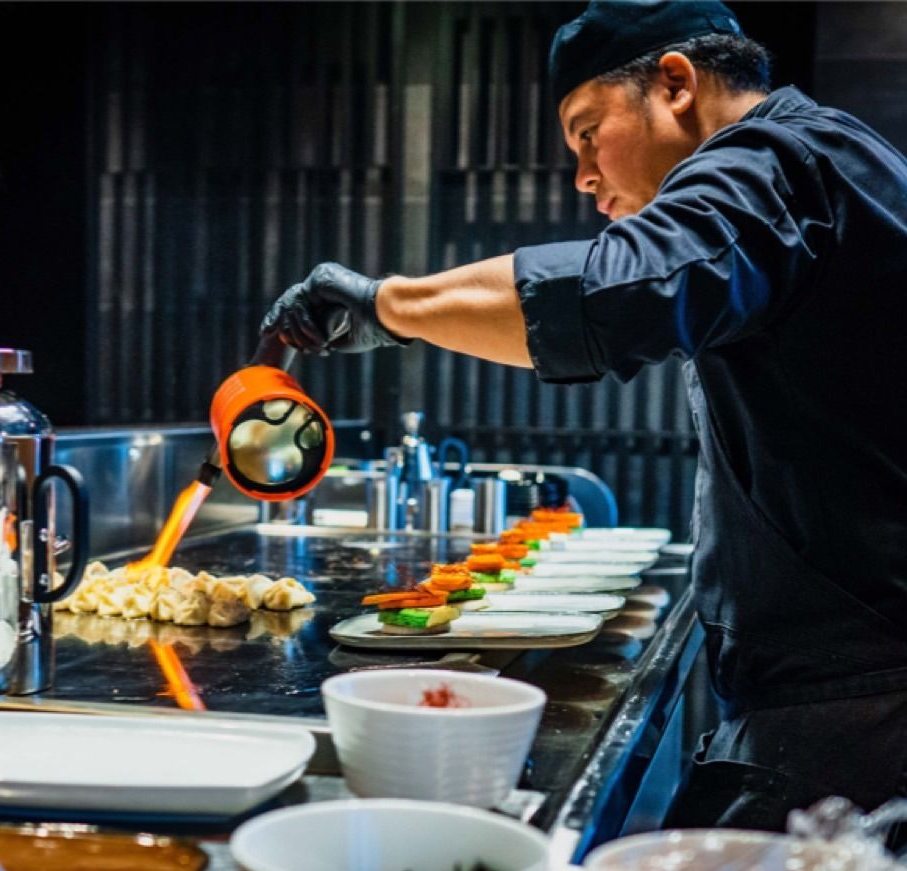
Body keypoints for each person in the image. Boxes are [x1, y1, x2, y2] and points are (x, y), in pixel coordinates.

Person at [262, 0, 907, 833]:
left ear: (675, 84)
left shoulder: (771, 159)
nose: (583, 176)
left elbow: (622, 294)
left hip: (860, 711)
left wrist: (389, 304)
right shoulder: (835, 156)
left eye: (586, 131)